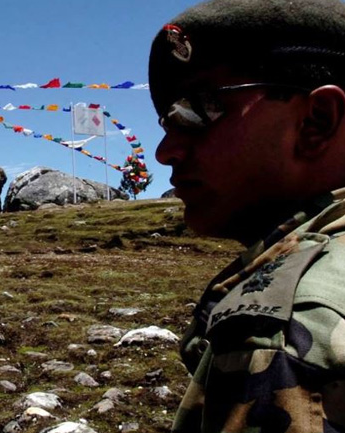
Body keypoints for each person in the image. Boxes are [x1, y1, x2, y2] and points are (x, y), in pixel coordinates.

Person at [149, 1, 345, 431]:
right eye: (168, 121)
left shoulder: (285, 326)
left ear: (316, 121)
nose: (165, 151)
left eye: (198, 109)